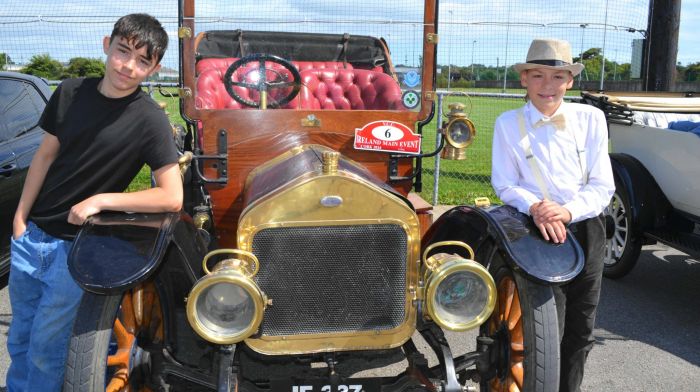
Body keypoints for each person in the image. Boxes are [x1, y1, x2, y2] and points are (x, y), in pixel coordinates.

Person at [7, 13, 182, 392]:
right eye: (123, 52)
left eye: (142, 61)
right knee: (20, 336)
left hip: (76, 249)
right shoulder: (69, 91)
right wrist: (20, 220)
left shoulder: (149, 120)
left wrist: (100, 200)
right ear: (107, 46)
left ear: (154, 68)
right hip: (31, 238)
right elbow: (45, 157)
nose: (128, 67)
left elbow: (171, 196)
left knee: (46, 346)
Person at [491, 38, 615, 392]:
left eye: (558, 76)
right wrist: (536, 207)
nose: (548, 85)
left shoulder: (591, 119)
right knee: (547, 328)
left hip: (587, 226)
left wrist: (567, 209)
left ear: (570, 81)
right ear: (524, 80)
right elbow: (505, 184)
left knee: (581, 327)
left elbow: (602, 184)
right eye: (538, 75)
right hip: (537, 231)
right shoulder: (507, 123)